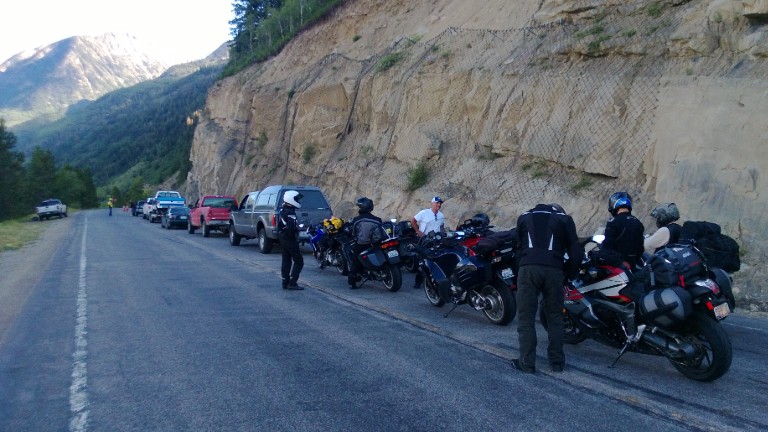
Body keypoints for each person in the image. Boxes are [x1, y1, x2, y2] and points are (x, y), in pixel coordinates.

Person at [511, 203, 582, 373]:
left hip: (528, 268)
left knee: (526, 317)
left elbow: (517, 246)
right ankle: (557, 363)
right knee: (555, 317)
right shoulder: (565, 219)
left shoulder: (524, 216)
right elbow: (576, 253)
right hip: (554, 270)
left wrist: (519, 270)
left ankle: (527, 363)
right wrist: (569, 274)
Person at [601, 191, 645, 270]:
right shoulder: (638, 222)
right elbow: (640, 249)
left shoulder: (613, 222)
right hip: (634, 265)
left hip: (618, 266)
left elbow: (607, 248)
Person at [410, 196, 447, 289]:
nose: (439, 205)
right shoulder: (424, 213)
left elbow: (442, 226)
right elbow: (413, 221)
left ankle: (435, 279)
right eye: (437, 203)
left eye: (440, 203)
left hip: (436, 240)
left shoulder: (441, 215)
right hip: (424, 240)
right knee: (423, 261)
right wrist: (418, 232)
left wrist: (443, 236)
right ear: (432, 203)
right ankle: (418, 282)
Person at [347, 197, 383, 289]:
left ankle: (353, 282)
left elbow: (353, 233)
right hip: (375, 244)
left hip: (362, 244)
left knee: (354, 261)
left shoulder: (357, 220)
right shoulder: (378, 220)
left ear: (362, 208)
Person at [278, 190, 304, 290]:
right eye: (296, 199)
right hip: (289, 239)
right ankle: (292, 283)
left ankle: (285, 282)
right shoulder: (290, 212)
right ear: (291, 199)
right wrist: (296, 233)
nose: (298, 201)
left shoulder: (282, 209)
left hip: (282, 237)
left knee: (286, 260)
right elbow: (291, 227)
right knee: (299, 261)